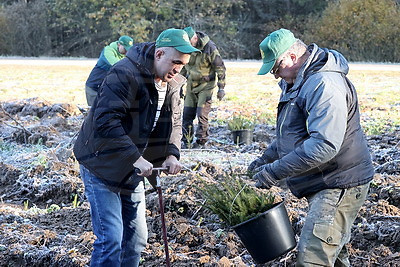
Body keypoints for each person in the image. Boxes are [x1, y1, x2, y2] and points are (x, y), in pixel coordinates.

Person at [73, 28, 199, 266]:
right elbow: (105, 121)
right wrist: (135, 157)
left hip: (132, 169)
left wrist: (172, 154)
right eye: (176, 62)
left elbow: (174, 122)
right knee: (111, 239)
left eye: (183, 64)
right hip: (101, 163)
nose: (179, 69)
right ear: (159, 54)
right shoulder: (124, 73)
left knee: (137, 240)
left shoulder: (173, 83)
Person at [248, 28, 374, 266]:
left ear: (292, 57)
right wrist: (265, 159)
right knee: (333, 256)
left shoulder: (323, 84)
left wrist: (274, 172)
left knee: (312, 259)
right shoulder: (299, 81)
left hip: (339, 182)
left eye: (275, 68)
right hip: (324, 180)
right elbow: (292, 134)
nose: (275, 76)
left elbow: (324, 144)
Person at [180, 26, 226, 148]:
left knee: (201, 114)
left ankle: (201, 141)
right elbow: (183, 67)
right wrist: (178, 84)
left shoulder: (209, 47)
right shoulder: (185, 48)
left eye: (189, 42)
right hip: (191, 85)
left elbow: (220, 67)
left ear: (195, 38)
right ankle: (187, 141)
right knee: (187, 114)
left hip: (206, 86)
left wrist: (221, 88)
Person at [85, 35, 134, 106]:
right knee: (95, 113)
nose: (127, 52)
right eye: (125, 49)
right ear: (119, 44)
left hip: (106, 89)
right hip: (94, 87)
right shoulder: (108, 51)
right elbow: (117, 66)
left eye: (128, 50)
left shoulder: (124, 55)